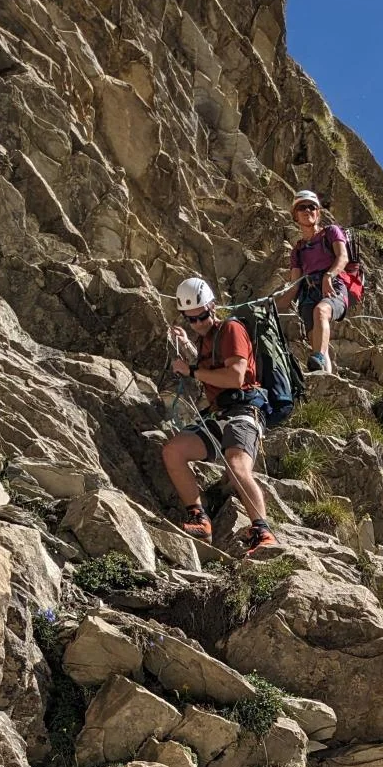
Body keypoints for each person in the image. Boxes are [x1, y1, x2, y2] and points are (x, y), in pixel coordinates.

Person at [161, 277, 279, 554]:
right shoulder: (205, 341)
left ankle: (263, 531)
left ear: (212, 307)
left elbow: (236, 377)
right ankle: (199, 517)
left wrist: (190, 371)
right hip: (218, 413)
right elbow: (211, 368)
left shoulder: (231, 329)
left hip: (243, 411)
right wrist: (188, 349)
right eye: (191, 320)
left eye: (202, 316)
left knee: (237, 466)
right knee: (173, 451)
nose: (198, 323)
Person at [281, 190, 349, 376]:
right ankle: (325, 379)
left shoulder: (331, 232)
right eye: (302, 207)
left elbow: (343, 257)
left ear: (318, 212)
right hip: (308, 295)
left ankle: (318, 361)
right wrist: (273, 307)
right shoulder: (298, 250)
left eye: (312, 207)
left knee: (322, 311)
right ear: (295, 216)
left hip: (333, 288)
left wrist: (328, 276)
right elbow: (294, 285)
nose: (307, 210)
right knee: (318, 344)